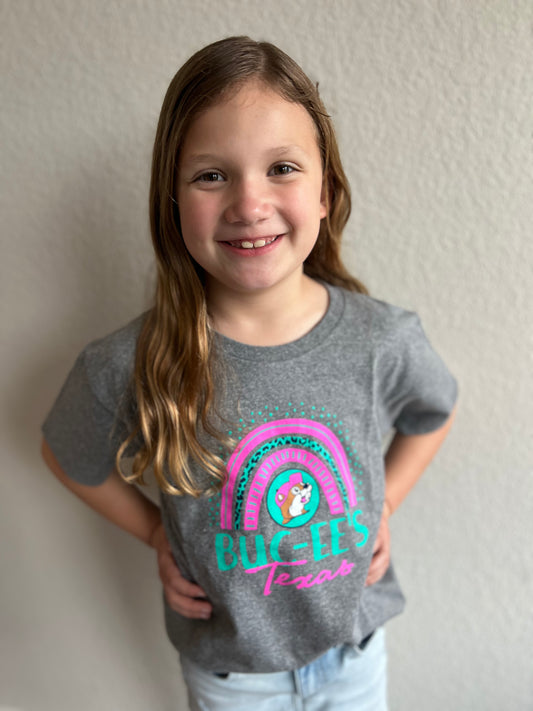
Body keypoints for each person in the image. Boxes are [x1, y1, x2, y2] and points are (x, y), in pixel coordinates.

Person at [41, 36, 458, 711]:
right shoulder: (129, 361)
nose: (248, 202)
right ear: (172, 205)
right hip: (232, 678)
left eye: (282, 168)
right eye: (212, 175)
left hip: (353, 655)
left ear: (326, 192)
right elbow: (67, 454)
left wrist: (384, 501)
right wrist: (154, 532)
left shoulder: (380, 337)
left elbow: (431, 412)